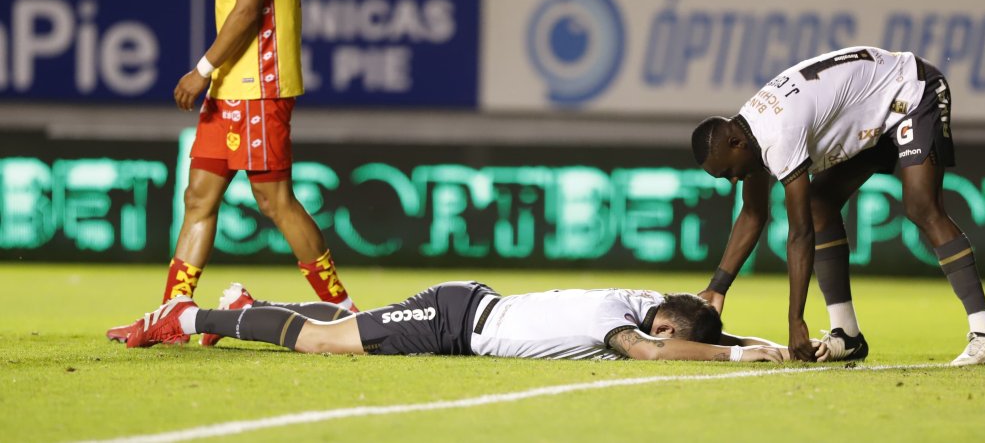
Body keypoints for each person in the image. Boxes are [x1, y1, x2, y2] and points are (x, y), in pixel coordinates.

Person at [107, 0, 357, 345]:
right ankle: (172, 315)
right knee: (199, 196)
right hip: (231, 90)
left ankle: (343, 309)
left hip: (256, 87)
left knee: (275, 201)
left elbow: (247, 12)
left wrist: (201, 68)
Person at [691, 46, 985, 366]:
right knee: (820, 205)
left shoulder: (778, 133)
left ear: (736, 144)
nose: (732, 180)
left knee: (921, 206)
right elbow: (752, 212)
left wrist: (795, 322)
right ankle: (847, 335)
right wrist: (717, 288)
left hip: (911, 91)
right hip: (872, 112)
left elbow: (800, 233)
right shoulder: (749, 135)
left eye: (727, 172)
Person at [123, 282, 792, 363]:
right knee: (329, 340)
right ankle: (190, 314)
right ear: (667, 325)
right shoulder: (609, 321)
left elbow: (684, 333)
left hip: (467, 315)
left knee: (357, 322)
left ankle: (245, 307)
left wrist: (777, 346)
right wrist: (736, 358)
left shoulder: (648, 299)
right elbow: (651, 355)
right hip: (455, 319)